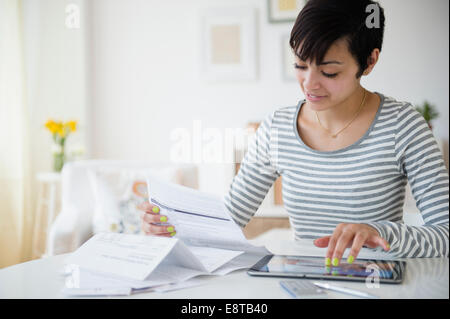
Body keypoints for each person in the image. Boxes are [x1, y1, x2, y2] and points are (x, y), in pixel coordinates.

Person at [140, 0, 449, 266]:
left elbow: (445, 234)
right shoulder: (277, 128)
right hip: (301, 285)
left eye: (329, 72)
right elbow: (228, 219)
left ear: (369, 61)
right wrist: (172, 225)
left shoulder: (403, 126)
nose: (309, 84)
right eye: (301, 65)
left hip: (374, 286)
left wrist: (379, 232)